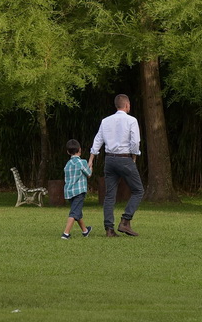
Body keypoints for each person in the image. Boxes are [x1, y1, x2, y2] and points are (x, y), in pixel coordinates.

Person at [88, 94, 144, 237]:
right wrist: (134, 156)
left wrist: (91, 160)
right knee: (138, 190)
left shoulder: (105, 121)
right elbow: (135, 142)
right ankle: (125, 221)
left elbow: (98, 140)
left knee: (109, 196)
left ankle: (109, 229)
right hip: (124, 159)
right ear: (126, 105)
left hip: (109, 160)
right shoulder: (132, 121)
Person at [61, 139, 92, 240]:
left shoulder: (67, 165)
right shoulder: (82, 162)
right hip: (79, 192)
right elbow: (89, 174)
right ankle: (66, 233)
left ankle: (85, 231)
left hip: (69, 192)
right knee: (74, 212)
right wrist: (90, 167)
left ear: (67, 152)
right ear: (80, 150)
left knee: (77, 211)